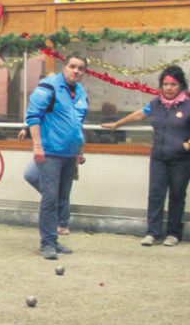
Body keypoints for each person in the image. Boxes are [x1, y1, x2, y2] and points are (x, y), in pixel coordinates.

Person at [103, 65, 190, 247]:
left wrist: (188, 144)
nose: (168, 88)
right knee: (155, 194)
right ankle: (152, 232)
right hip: (158, 157)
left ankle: (173, 234)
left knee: (177, 195)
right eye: (165, 84)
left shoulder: (188, 105)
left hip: (181, 159)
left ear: (181, 85)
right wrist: (118, 124)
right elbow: (139, 114)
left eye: (173, 84)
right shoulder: (155, 104)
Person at [26, 54, 89, 260]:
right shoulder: (49, 86)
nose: (76, 71)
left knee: (62, 198)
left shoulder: (81, 92)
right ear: (65, 67)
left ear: (83, 72)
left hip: (70, 154)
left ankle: (53, 239)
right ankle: (47, 243)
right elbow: (33, 116)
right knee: (50, 198)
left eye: (80, 68)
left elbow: (78, 124)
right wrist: (37, 146)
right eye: (72, 66)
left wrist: (80, 150)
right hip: (50, 152)